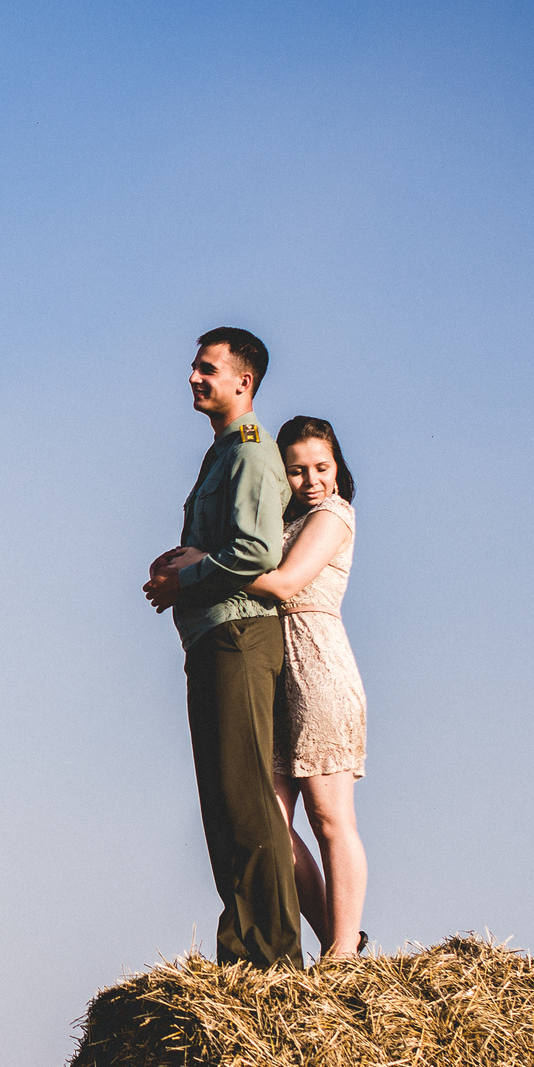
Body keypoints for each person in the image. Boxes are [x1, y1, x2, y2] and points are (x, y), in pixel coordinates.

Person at [142, 327, 304, 969]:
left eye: (207, 369)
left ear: (244, 381)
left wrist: (188, 576)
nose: (192, 377)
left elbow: (256, 552)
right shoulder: (219, 456)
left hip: (240, 637)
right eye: (193, 367)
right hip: (212, 638)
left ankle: (274, 959)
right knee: (220, 804)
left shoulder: (252, 454)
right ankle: (242, 953)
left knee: (245, 801)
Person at [241, 417, 368, 962]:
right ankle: (334, 941)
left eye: (322, 466)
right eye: (297, 470)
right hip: (273, 667)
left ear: (337, 468)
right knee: (272, 821)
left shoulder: (334, 514)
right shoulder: (281, 520)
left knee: (330, 817)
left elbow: (287, 583)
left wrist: (207, 568)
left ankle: (343, 952)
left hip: (319, 665)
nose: (312, 479)